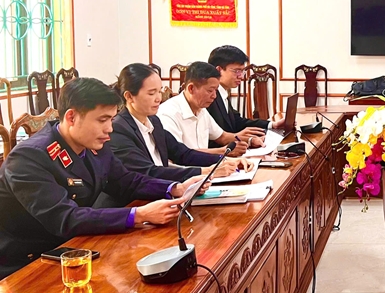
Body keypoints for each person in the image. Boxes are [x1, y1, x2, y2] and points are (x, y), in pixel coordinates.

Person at [0, 78, 207, 279]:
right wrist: (138, 215)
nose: (109, 129)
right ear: (71, 117)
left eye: (111, 119)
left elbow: (126, 181)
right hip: (27, 264)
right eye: (102, 120)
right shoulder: (29, 157)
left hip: (76, 246)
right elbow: (65, 218)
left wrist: (174, 188)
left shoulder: (93, 144)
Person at [98, 63, 253, 208]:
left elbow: (183, 154)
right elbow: (149, 172)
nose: (158, 98)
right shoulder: (118, 129)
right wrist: (206, 171)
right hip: (131, 204)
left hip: (160, 197)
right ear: (129, 96)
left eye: (159, 91)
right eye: (151, 93)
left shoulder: (153, 121)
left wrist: (225, 160)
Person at [157, 61, 258, 155]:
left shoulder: (202, 110)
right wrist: (223, 151)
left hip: (206, 165)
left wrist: (250, 140)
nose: (214, 96)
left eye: (216, 90)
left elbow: (222, 137)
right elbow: (180, 155)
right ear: (191, 88)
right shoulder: (168, 113)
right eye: (210, 91)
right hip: (186, 168)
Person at [206, 45, 284, 148]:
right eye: (237, 71)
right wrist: (241, 139)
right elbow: (209, 139)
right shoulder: (208, 96)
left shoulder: (223, 92)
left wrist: (272, 125)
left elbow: (237, 121)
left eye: (242, 71)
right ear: (219, 70)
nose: (241, 76)